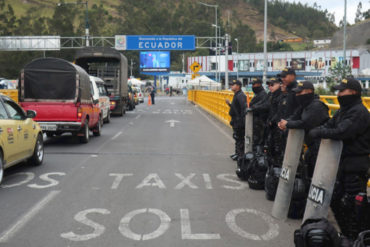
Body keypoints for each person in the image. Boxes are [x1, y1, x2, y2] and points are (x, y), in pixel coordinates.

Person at [308, 78, 370, 240]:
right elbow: (330, 125)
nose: (339, 94)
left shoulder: (359, 112)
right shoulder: (344, 110)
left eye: (342, 91)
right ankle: (347, 236)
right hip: (341, 164)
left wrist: (319, 132)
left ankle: (357, 239)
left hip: (355, 166)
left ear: (354, 92)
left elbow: (342, 131)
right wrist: (319, 129)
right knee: (337, 201)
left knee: (353, 208)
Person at [278, 81, 329, 178]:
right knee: (308, 172)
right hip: (311, 146)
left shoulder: (317, 106)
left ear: (309, 91)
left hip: (321, 146)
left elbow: (305, 123)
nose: (297, 95)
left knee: (317, 175)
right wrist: (284, 122)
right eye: (296, 93)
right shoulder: (305, 105)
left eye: (299, 93)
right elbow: (295, 116)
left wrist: (288, 124)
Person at [226, 80, 246, 161]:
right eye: (231, 85)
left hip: (239, 121)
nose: (231, 86)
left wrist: (241, 120)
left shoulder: (240, 95)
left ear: (238, 86)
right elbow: (236, 108)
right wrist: (230, 104)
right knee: (237, 137)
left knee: (240, 138)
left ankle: (240, 155)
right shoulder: (237, 95)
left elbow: (243, 109)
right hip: (236, 120)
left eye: (233, 85)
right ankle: (237, 153)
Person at [248, 78, 269, 151]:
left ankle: (257, 158)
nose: (253, 86)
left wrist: (253, 107)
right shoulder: (258, 94)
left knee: (258, 142)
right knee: (254, 141)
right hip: (256, 122)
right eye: (252, 84)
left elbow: (265, 106)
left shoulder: (263, 94)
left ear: (259, 84)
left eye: (254, 84)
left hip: (260, 123)